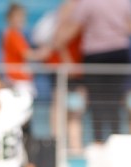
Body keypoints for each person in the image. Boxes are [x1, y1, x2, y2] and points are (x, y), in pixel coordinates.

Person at [53, 0, 131, 145]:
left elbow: (73, 28)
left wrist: (59, 40)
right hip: (120, 54)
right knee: (115, 100)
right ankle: (115, 138)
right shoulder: (125, 2)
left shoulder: (88, 3)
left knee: (97, 101)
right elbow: (130, 29)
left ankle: (98, 141)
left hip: (95, 55)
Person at [42, 0, 87, 155]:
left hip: (77, 68)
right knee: (59, 108)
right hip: (63, 68)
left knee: (76, 109)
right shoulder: (69, 7)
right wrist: (68, 61)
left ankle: (75, 146)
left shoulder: (83, 7)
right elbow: (58, 39)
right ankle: (58, 146)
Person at [2, 2, 51, 97]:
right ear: (9, 18)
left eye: (22, 16)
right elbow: (28, 55)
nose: (21, 19)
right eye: (17, 16)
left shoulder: (17, 35)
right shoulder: (13, 35)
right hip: (17, 80)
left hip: (20, 79)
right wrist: (44, 52)